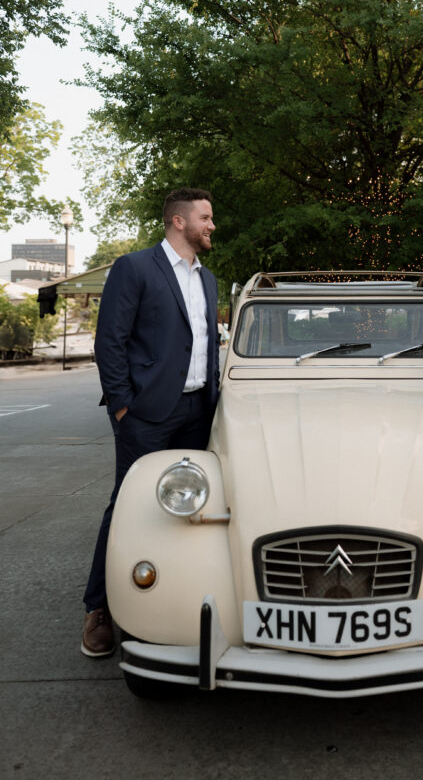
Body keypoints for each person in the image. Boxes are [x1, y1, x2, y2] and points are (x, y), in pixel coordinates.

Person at [81, 188, 221, 657]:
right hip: (145, 415)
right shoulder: (134, 268)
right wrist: (124, 407)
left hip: (198, 412)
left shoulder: (209, 280)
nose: (212, 226)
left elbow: (206, 346)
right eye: (205, 218)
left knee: (190, 508)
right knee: (126, 506)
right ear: (178, 222)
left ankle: (178, 598)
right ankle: (98, 610)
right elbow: (110, 342)